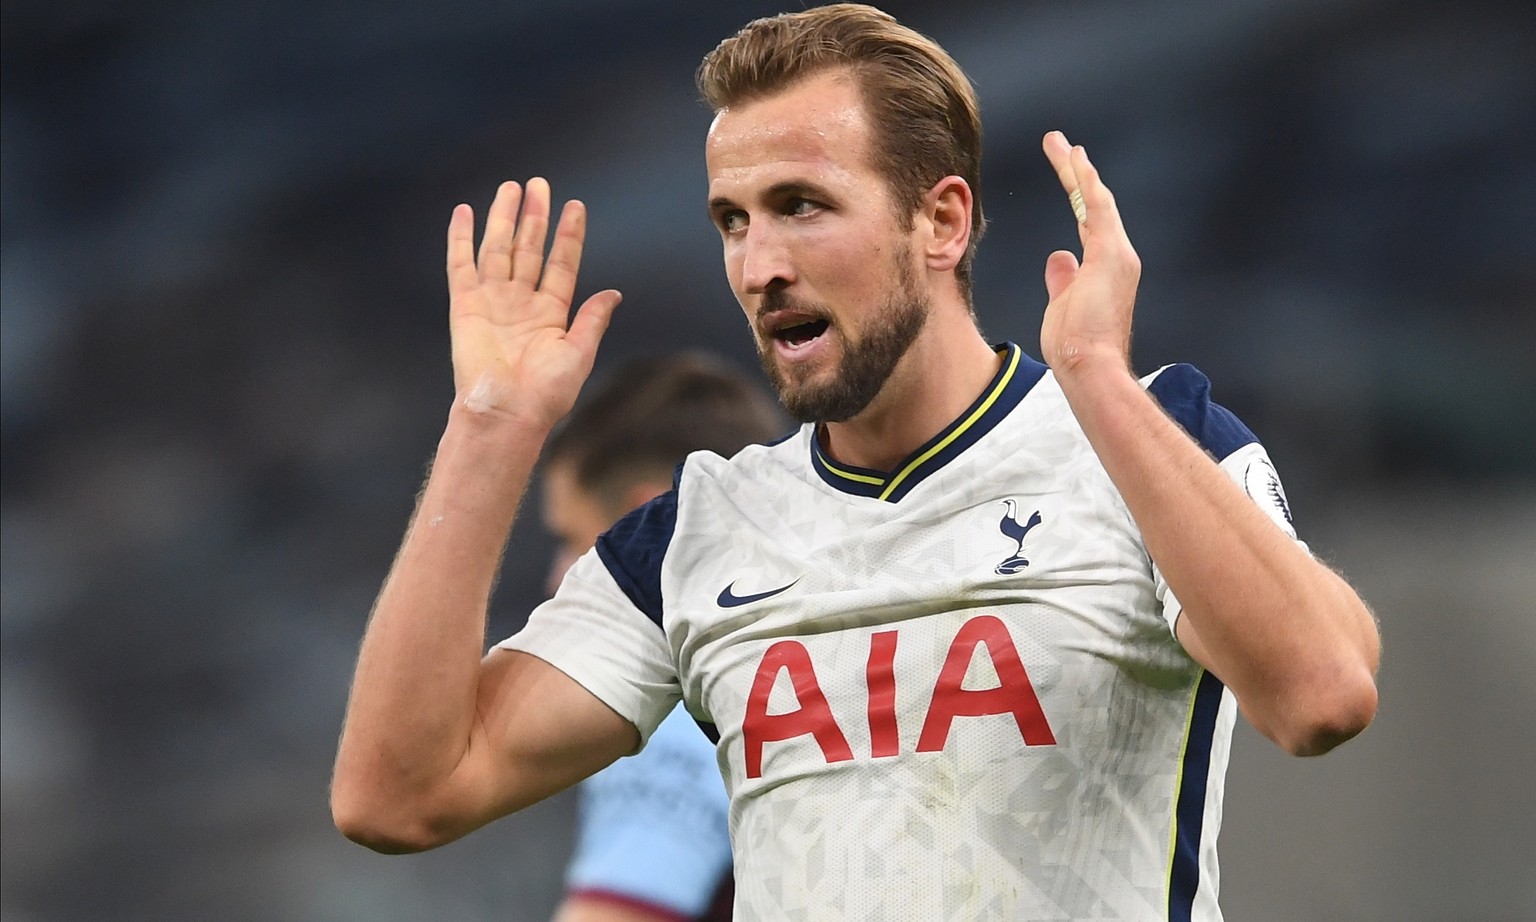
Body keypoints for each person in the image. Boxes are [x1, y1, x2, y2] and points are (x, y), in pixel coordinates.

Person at [331, 5, 1381, 920]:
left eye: (800, 205)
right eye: (731, 221)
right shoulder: (695, 532)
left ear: (941, 219)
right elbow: (398, 795)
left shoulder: (1146, 440)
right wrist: (491, 424)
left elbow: (1321, 692)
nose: (758, 264)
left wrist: (1097, 378)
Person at [539, 354, 785, 922]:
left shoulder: (674, 710)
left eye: (573, 541)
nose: (556, 581)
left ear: (644, 521)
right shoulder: (825, 659)